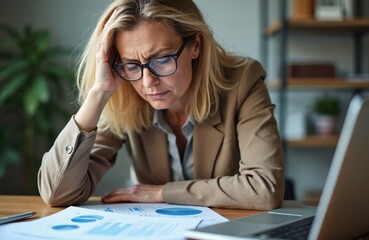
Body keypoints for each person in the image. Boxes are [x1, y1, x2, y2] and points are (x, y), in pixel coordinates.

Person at [38, 0, 284, 210]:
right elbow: (57, 194)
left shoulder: (243, 80)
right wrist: (98, 93)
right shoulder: (124, 90)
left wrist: (163, 193)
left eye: (162, 60)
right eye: (132, 65)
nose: (148, 82)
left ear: (196, 46)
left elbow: (264, 188)